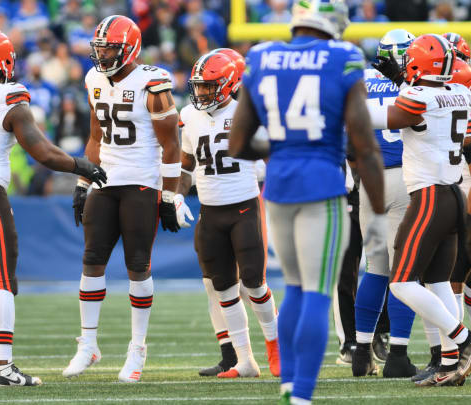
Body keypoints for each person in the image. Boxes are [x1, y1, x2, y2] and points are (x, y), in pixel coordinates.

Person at [227, 1, 386, 403]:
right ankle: (301, 395)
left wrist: (285, 146)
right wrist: (379, 209)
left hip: (278, 185)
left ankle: (288, 385)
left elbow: (239, 143)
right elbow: (364, 146)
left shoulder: (261, 56)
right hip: (322, 185)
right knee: (317, 290)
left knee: (295, 287)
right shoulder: (344, 57)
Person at [0, 28, 106, 387]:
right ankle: (4, 366)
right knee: (1, 281)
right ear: (5, 61)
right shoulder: (10, 95)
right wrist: (82, 165)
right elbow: (43, 153)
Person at [63, 15, 181, 383]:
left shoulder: (153, 82)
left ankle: (138, 347)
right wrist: (84, 181)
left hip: (141, 182)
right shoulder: (94, 79)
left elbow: (171, 144)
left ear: (129, 48)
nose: (103, 54)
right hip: (105, 179)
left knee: (137, 264)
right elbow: (96, 136)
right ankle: (88, 344)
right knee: (91, 259)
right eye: (100, 47)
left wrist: (170, 195)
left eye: (110, 47)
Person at [370, 34, 471, 386]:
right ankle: (449, 364)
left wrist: (343, 103)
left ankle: (464, 341)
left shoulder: (418, 96)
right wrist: (400, 80)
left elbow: (387, 116)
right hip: (453, 194)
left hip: (431, 198)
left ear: (416, 64)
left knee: (401, 283)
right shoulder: (461, 92)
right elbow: (429, 106)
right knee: (440, 282)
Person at [175, 50, 279, 379]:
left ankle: (277, 349)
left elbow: (271, 156)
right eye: (200, 87)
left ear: (229, 84)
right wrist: (176, 196)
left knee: (255, 284)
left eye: (209, 86)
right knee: (223, 289)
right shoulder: (189, 115)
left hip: (244, 207)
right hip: (210, 212)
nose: (202, 93)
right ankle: (245, 360)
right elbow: (187, 165)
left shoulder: (248, 111)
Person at [352, 29, 418, 379]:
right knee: (405, 272)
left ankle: (361, 353)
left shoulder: (361, 80)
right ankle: (398, 356)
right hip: (406, 179)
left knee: (375, 270)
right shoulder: (414, 83)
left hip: (369, 181)